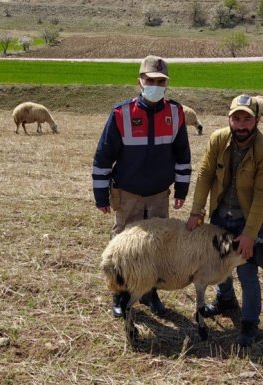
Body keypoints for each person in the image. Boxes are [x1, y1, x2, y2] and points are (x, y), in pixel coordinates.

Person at [92, 55, 192, 319]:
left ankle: (150, 292)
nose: (155, 86)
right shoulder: (121, 113)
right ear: (140, 81)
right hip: (128, 194)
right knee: (123, 245)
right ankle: (120, 293)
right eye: (150, 80)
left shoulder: (175, 113)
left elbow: (183, 154)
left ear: (167, 84)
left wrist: (181, 190)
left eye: (161, 81)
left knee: (157, 247)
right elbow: (103, 157)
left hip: (159, 195)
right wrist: (100, 195)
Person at [186, 94, 263, 347]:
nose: (241, 125)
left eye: (246, 119)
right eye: (236, 119)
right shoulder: (218, 139)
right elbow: (205, 175)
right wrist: (196, 211)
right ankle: (225, 300)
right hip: (220, 217)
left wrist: (250, 234)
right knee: (219, 264)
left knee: (247, 273)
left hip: (246, 220)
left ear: (256, 120)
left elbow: (262, 195)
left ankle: (249, 322)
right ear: (229, 119)